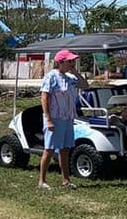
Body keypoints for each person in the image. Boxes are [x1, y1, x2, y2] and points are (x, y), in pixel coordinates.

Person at [38, 48, 89, 189]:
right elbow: (44, 97)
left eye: (73, 61)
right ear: (61, 62)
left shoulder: (70, 78)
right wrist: (48, 118)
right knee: (49, 149)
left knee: (65, 149)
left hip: (67, 118)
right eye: (70, 61)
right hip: (55, 117)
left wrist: (76, 72)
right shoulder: (51, 76)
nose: (72, 63)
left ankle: (66, 179)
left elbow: (85, 86)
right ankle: (42, 181)